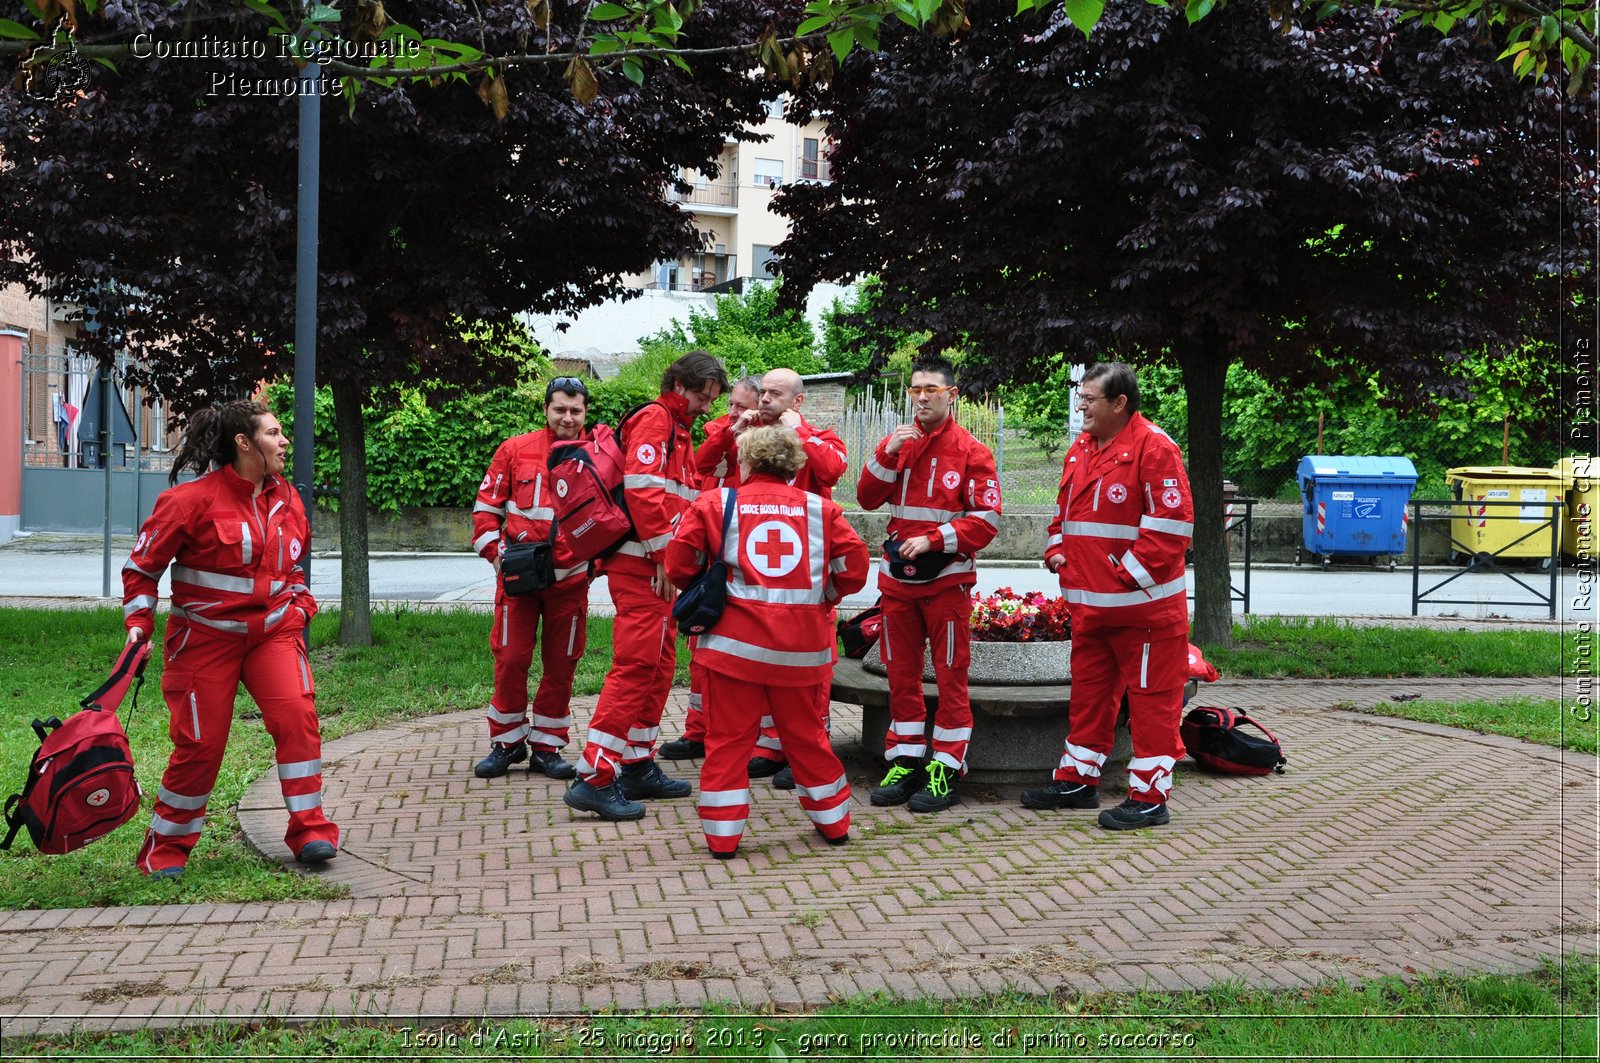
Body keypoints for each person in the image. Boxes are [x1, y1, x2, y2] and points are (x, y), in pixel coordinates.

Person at [122, 400, 338, 879]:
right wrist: (139, 626)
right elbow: (141, 571)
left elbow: (294, 566)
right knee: (200, 744)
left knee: (297, 719)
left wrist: (300, 607)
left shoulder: (289, 498)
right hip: (203, 642)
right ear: (244, 443)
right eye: (275, 433)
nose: (285, 442)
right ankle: (166, 850)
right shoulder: (188, 502)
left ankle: (311, 830)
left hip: (273, 635)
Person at [664, 426, 869, 858]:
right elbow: (854, 567)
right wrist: (826, 596)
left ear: (746, 463)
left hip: (732, 650)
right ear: (795, 466)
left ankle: (723, 839)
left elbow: (680, 563)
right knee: (807, 739)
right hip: (801, 653)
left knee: (727, 742)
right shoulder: (821, 509)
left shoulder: (716, 503)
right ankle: (834, 824)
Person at [1022, 361, 1194, 830]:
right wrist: (1057, 548)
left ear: (1120, 403)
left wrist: (1121, 578)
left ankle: (1150, 798)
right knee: (1090, 696)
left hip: (1144, 613)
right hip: (1090, 608)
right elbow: (1065, 514)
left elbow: (1171, 531)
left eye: (1089, 400)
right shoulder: (1080, 449)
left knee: (1152, 704)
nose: (1081, 408)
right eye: (1080, 399)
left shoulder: (1155, 448)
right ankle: (1078, 780)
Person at [564, 350, 727, 821]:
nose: (706, 406)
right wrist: (663, 554)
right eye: (701, 396)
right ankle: (595, 776)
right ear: (678, 385)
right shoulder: (656, 420)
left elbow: (682, 500)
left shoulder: (677, 427)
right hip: (642, 566)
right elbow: (642, 492)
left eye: (712, 399)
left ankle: (635, 762)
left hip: (655, 566)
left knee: (658, 665)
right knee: (636, 666)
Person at [855, 355, 1001, 813]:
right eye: (915, 389)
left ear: (951, 395)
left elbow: (988, 519)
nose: (920, 397)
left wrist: (935, 540)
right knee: (901, 676)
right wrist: (886, 453)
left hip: (946, 585)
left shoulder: (973, 451)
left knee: (951, 678)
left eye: (931, 390)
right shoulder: (900, 443)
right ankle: (906, 759)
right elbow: (866, 497)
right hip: (897, 584)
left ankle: (946, 767)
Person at [467, 377, 595, 781]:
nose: (568, 417)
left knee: (562, 664)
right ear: (546, 409)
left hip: (570, 582)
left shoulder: (600, 455)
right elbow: (485, 512)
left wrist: (592, 565)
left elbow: (612, 521)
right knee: (511, 658)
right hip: (519, 581)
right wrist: (499, 557)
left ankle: (547, 747)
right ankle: (506, 743)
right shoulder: (515, 449)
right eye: (560, 409)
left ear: (585, 412)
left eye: (576, 410)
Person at [659, 375, 760, 763]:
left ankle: (757, 740)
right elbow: (704, 465)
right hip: (712, 548)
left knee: (750, 650)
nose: (729, 411)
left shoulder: (778, 439)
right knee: (700, 640)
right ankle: (697, 732)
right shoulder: (721, 430)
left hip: (750, 554)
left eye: (739, 405)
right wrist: (733, 431)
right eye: (729, 403)